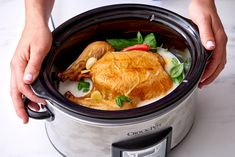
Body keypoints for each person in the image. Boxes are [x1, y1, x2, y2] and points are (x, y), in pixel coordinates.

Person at [10, 0, 227, 124]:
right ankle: (75, 95)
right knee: (102, 53)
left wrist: (204, 3)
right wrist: (35, 20)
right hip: (73, 11)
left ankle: (76, 100)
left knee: (127, 100)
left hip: (168, 7)